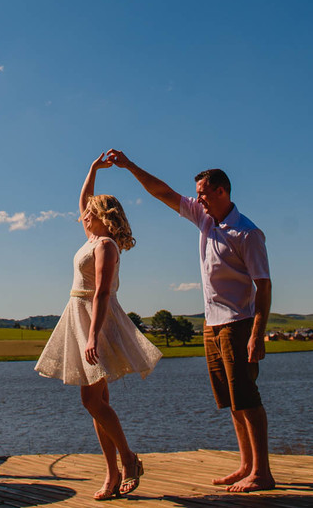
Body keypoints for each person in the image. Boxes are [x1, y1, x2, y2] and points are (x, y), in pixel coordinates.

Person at [108, 149, 275, 493]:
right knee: (231, 400)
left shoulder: (247, 233)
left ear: (221, 191)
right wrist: (128, 166)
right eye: (197, 193)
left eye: (202, 193)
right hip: (211, 327)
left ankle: (262, 472)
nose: (197, 198)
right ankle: (246, 465)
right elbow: (163, 192)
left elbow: (264, 285)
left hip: (238, 324)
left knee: (247, 397)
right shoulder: (205, 219)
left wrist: (257, 334)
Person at [35, 152, 163, 500]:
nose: (83, 213)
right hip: (78, 316)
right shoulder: (91, 240)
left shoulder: (105, 245)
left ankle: (128, 459)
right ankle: (111, 474)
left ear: (101, 216)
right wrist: (92, 168)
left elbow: (103, 292)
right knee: (95, 400)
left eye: (90, 211)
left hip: (97, 321)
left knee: (92, 400)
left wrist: (92, 334)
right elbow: (81, 199)